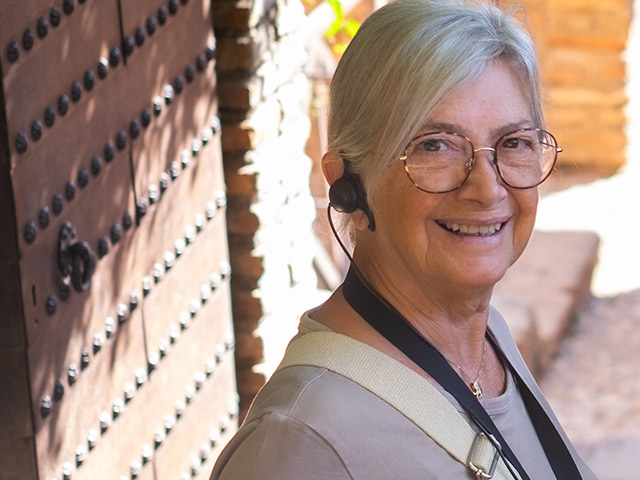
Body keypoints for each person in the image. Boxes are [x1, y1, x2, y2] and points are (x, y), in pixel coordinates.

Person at [210, 1, 593, 478]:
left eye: (514, 142)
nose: (487, 188)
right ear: (348, 185)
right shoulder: (299, 443)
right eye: (434, 145)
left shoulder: (486, 342)